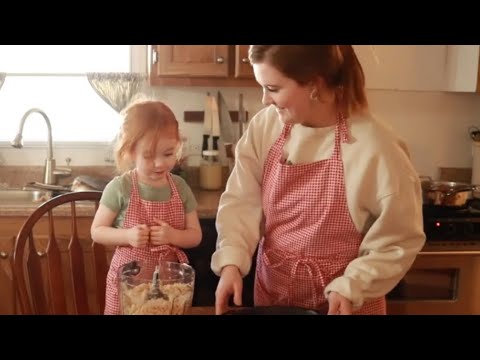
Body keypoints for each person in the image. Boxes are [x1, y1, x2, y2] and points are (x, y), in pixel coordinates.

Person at [211, 45, 426, 315]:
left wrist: (352, 285)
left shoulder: (375, 147)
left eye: (274, 89)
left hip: (346, 304)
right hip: (274, 296)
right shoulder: (265, 127)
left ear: (314, 83)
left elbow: (398, 239)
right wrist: (231, 261)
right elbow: (241, 202)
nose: (265, 99)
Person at [91, 100, 202, 315]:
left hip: (169, 285)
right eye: (149, 156)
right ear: (130, 151)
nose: (160, 163)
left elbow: (195, 235)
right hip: (128, 287)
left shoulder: (180, 187)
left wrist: (173, 236)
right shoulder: (120, 187)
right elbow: (97, 231)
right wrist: (128, 236)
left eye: (168, 154)